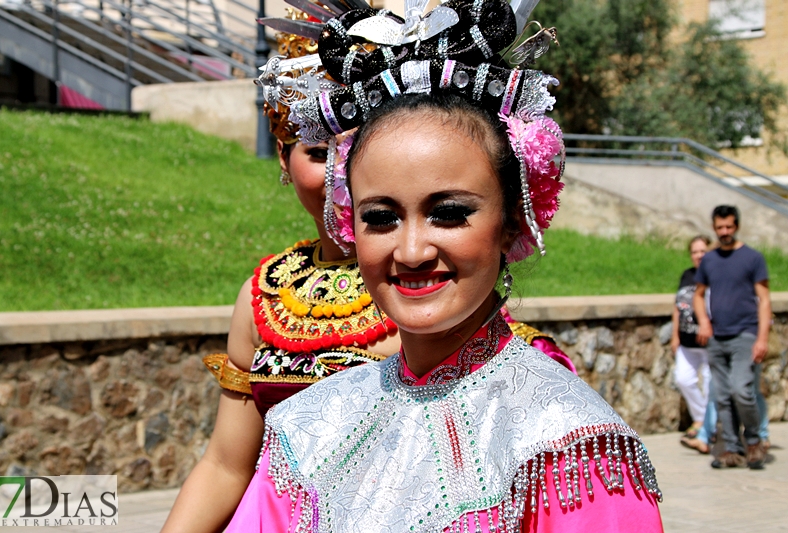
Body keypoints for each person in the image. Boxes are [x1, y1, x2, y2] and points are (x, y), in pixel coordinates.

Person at [226, 1, 663, 530]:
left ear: (511, 222)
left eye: (449, 214)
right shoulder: (306, 428)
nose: (411, 251)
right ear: (348, 223)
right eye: (381, 217)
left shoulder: (567, 443)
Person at [161, 11, 572, 531]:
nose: (414, 250)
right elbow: (227, 464)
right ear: (284, 164)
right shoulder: (266, 292)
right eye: (317, 151)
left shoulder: (430, 296)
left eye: (447, 212)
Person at [694, 205, 771, 470]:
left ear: (736, 226)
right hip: (718, 336)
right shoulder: (710, 260)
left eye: (728, 227)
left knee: (742, 390)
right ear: (714, 228)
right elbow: (698, 294)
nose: (724, 232)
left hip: (745, 335)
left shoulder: (752, 258)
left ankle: (754, 440)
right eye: (719, 228)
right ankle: (731, 449)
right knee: (722, 396)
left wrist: (762, 338)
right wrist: (704, 322)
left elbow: (764, 300)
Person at [671, 235, 713, 453]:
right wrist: (675, 335)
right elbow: (678, 305)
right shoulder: (687, 275)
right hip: (687, 342)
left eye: (702, 251)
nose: (698, 255)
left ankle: (706, 427)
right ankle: (700, 419)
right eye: (695, 252)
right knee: (683, 379)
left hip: (708, 342)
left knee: (708, 384)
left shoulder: (716, 275)